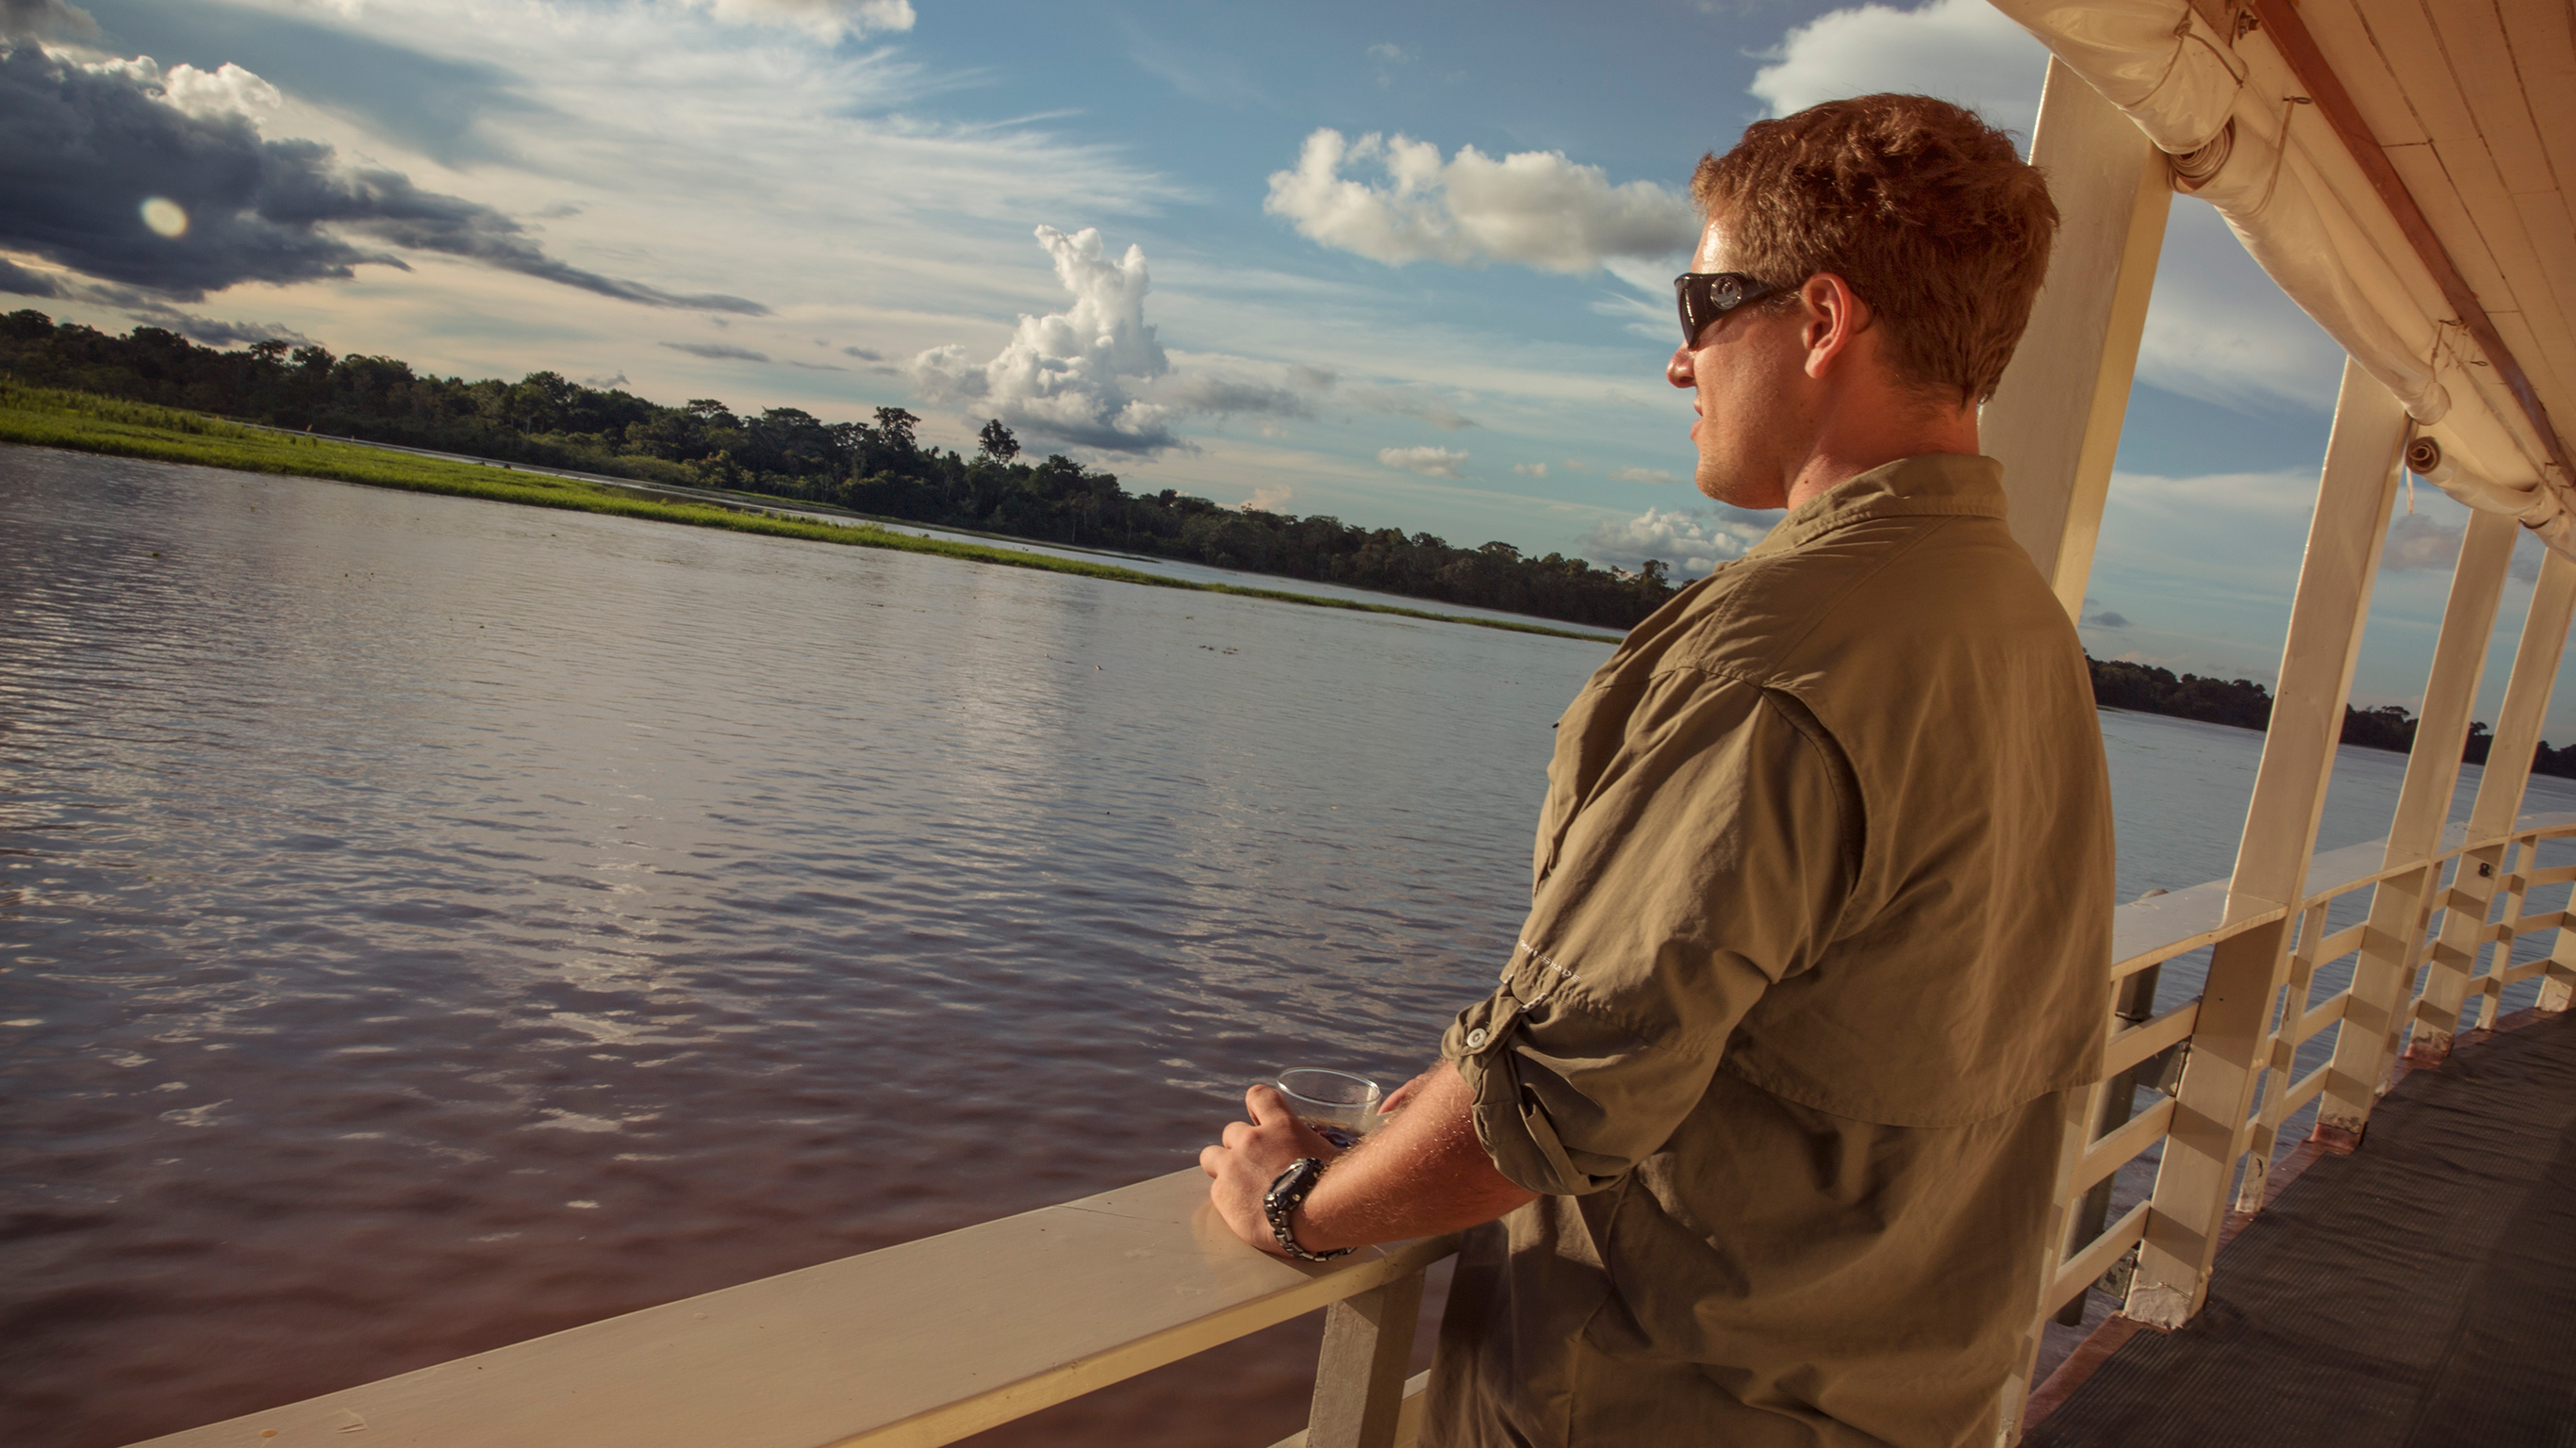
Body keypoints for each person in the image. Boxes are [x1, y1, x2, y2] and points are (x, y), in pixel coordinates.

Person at [1201, 93, 2114, 1448]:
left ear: (1820, 320)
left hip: (1666, 1403)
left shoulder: (1780, 654)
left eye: (1702, 304)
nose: (1679, 365)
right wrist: (1444, 1098)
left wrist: (1301, 1204)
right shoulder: (2020, 627)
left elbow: (1557, 1098)